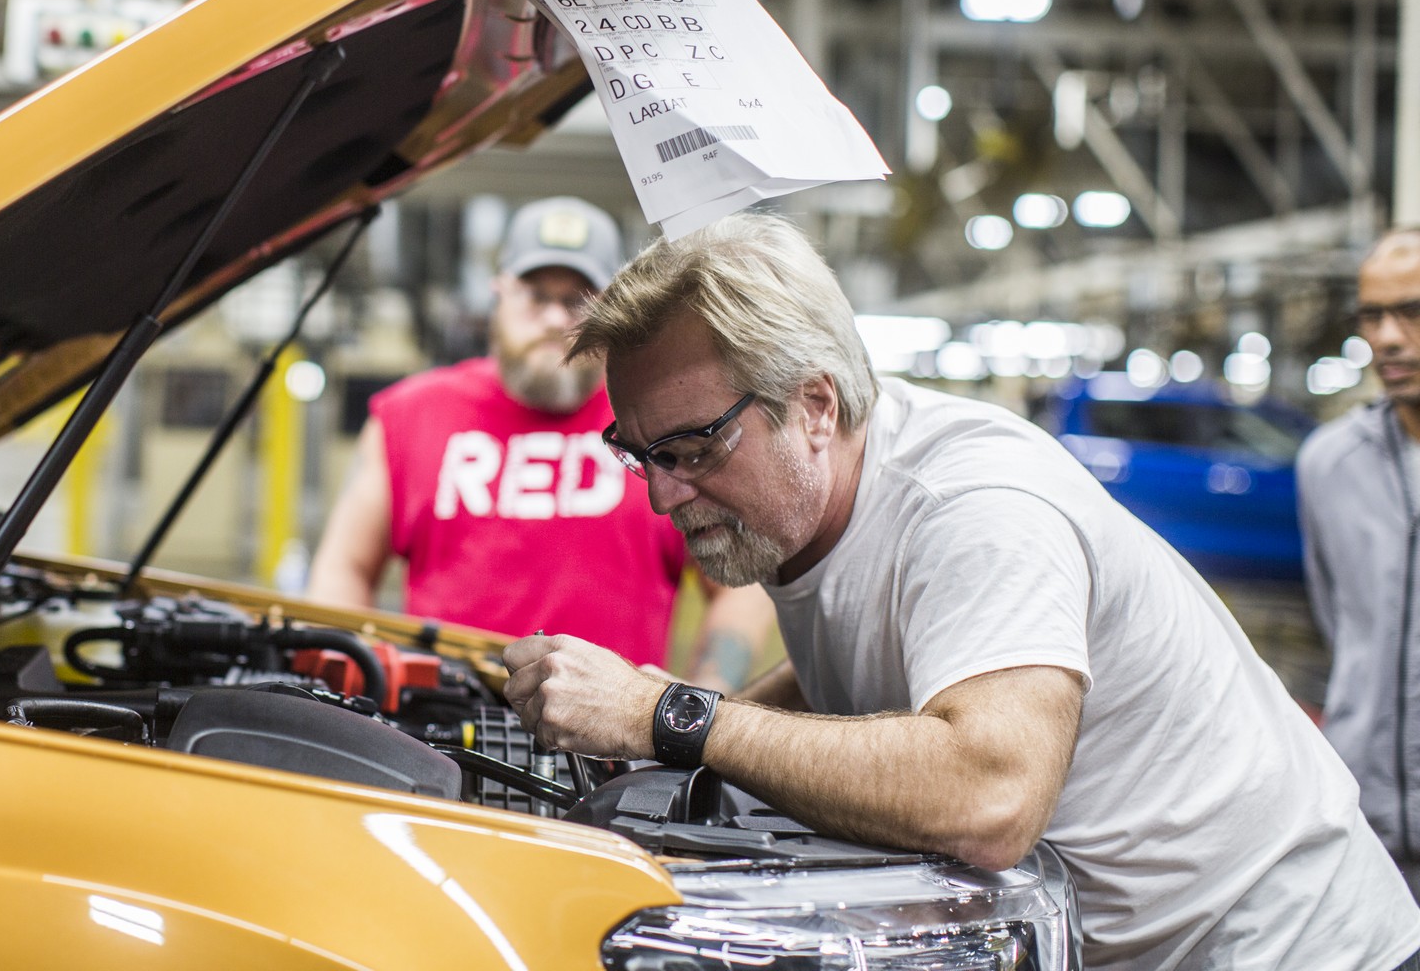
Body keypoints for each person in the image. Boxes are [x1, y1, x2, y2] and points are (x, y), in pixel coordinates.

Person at [504, 210, 1420, 971]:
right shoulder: (819, 493)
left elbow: (990, 796)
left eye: (694, 448)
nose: (663, 494)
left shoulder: (973, 509)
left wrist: (676, 718)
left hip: (1296, 946)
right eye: (640, 453)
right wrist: (690, 727)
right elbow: (866, 662)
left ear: (816, 405)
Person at [307, 196, 774, 690]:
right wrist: (351, 690)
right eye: (536, 295)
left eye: (577, 300)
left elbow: (741, 588)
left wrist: (699, 703)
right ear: (500, 293)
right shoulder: (410, 417)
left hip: (608, 735)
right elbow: (345, 568)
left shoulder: (662, 429)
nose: (554, 319)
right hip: (436, 724)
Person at [1300, 226, 1420, 896]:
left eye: (1413, 311)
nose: (1388, 338)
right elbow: (1341, 626)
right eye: (1373, 316)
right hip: (1366, 830)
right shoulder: (1330, 463)